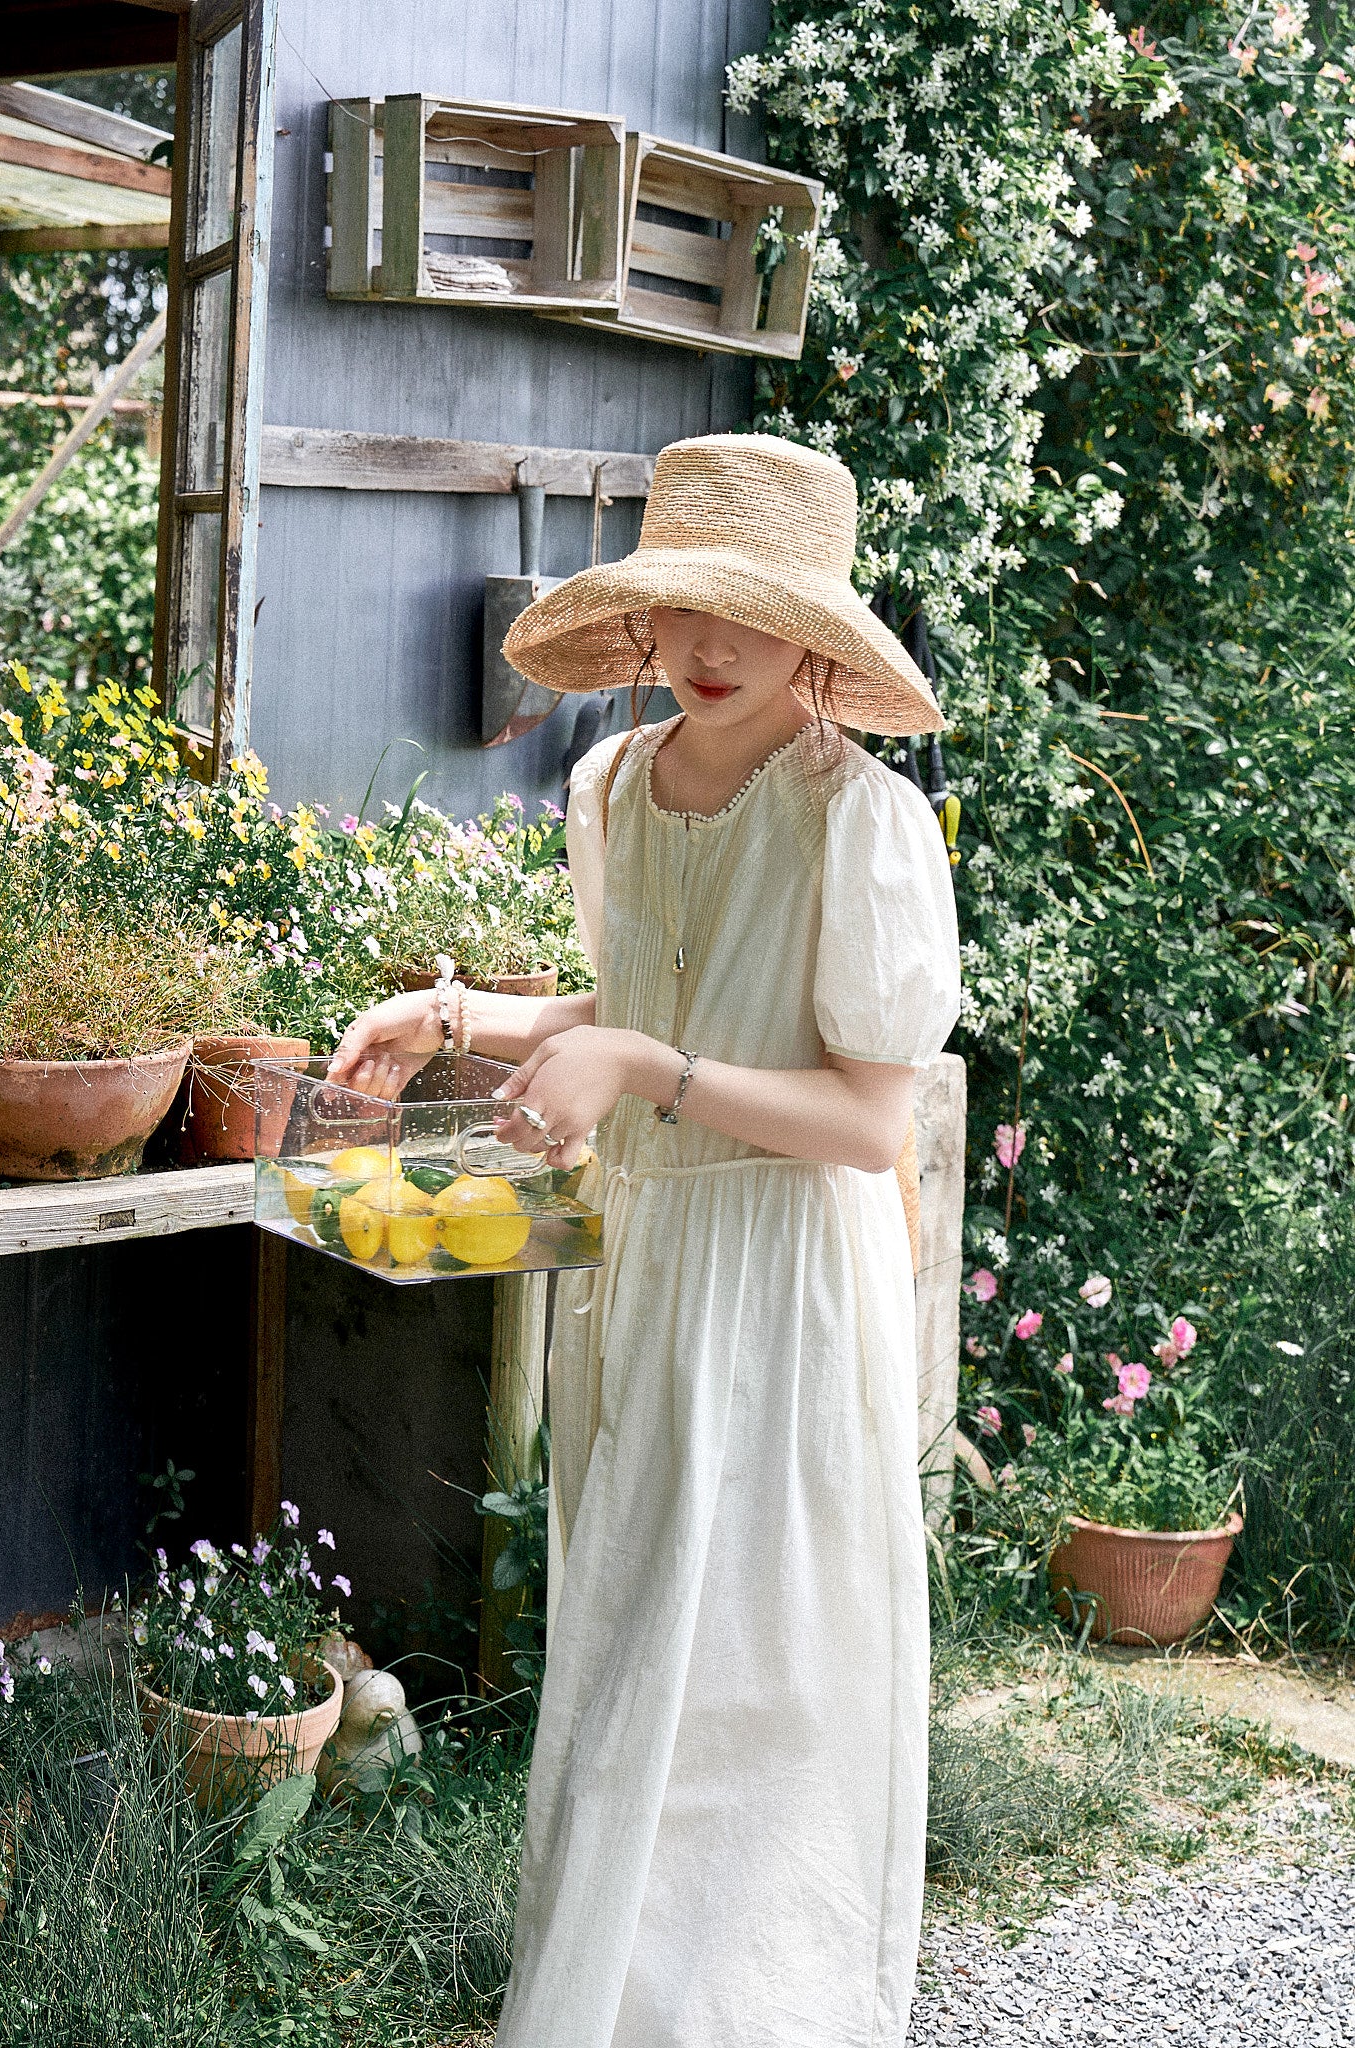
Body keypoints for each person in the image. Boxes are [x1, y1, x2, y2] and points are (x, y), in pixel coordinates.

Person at [329, 433, 961, 2047]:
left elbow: (866, 1120)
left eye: (746, 611)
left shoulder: (860, 822)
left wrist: (648, 1071)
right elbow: (641, 1005)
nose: (707, 643)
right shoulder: (610, 783)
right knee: (627, 1654)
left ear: (817, 633)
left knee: (756, 1669)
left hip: (785, 1277)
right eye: (680, 603)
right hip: (648, 1269)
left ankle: (765, 2013)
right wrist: (459, 1012)